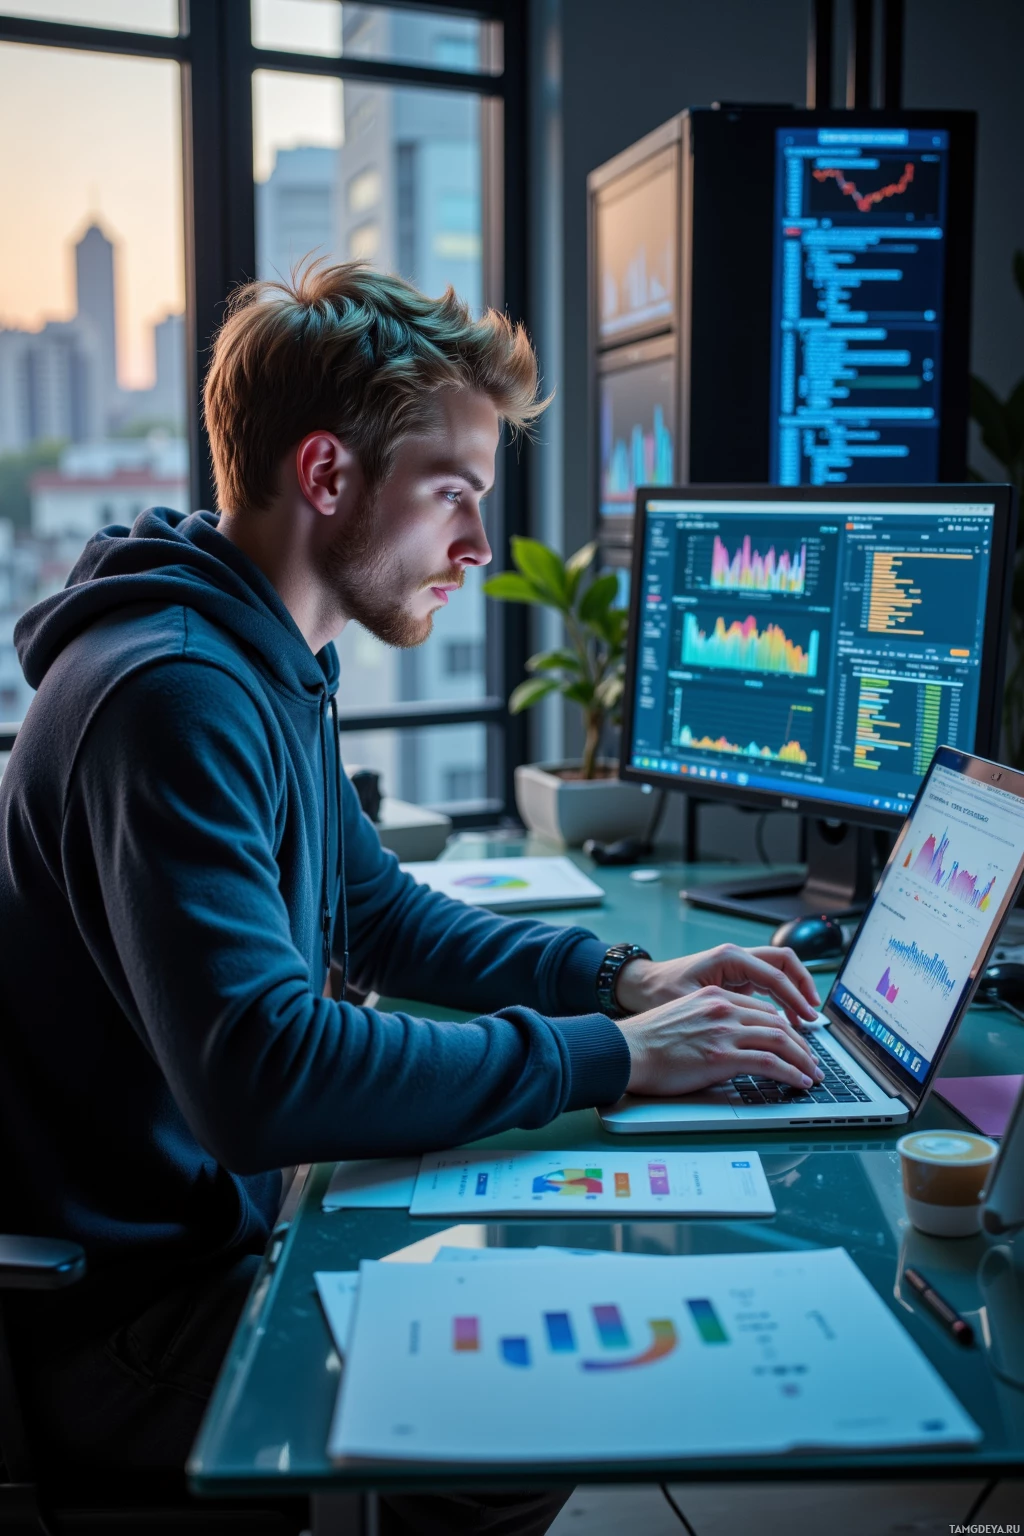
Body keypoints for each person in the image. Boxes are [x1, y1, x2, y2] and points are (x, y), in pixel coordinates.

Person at [0, 262, 824, 1534]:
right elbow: (264, 1074)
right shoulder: (172, 693)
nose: (478, 547)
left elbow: (376, 911)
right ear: (328, 476)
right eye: (454, 495)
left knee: (534, 1295)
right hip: (126, 1321)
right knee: (533, 1406)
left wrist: (620, 983)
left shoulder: (255, 656)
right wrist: (610, 1057)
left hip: (215, 1238)